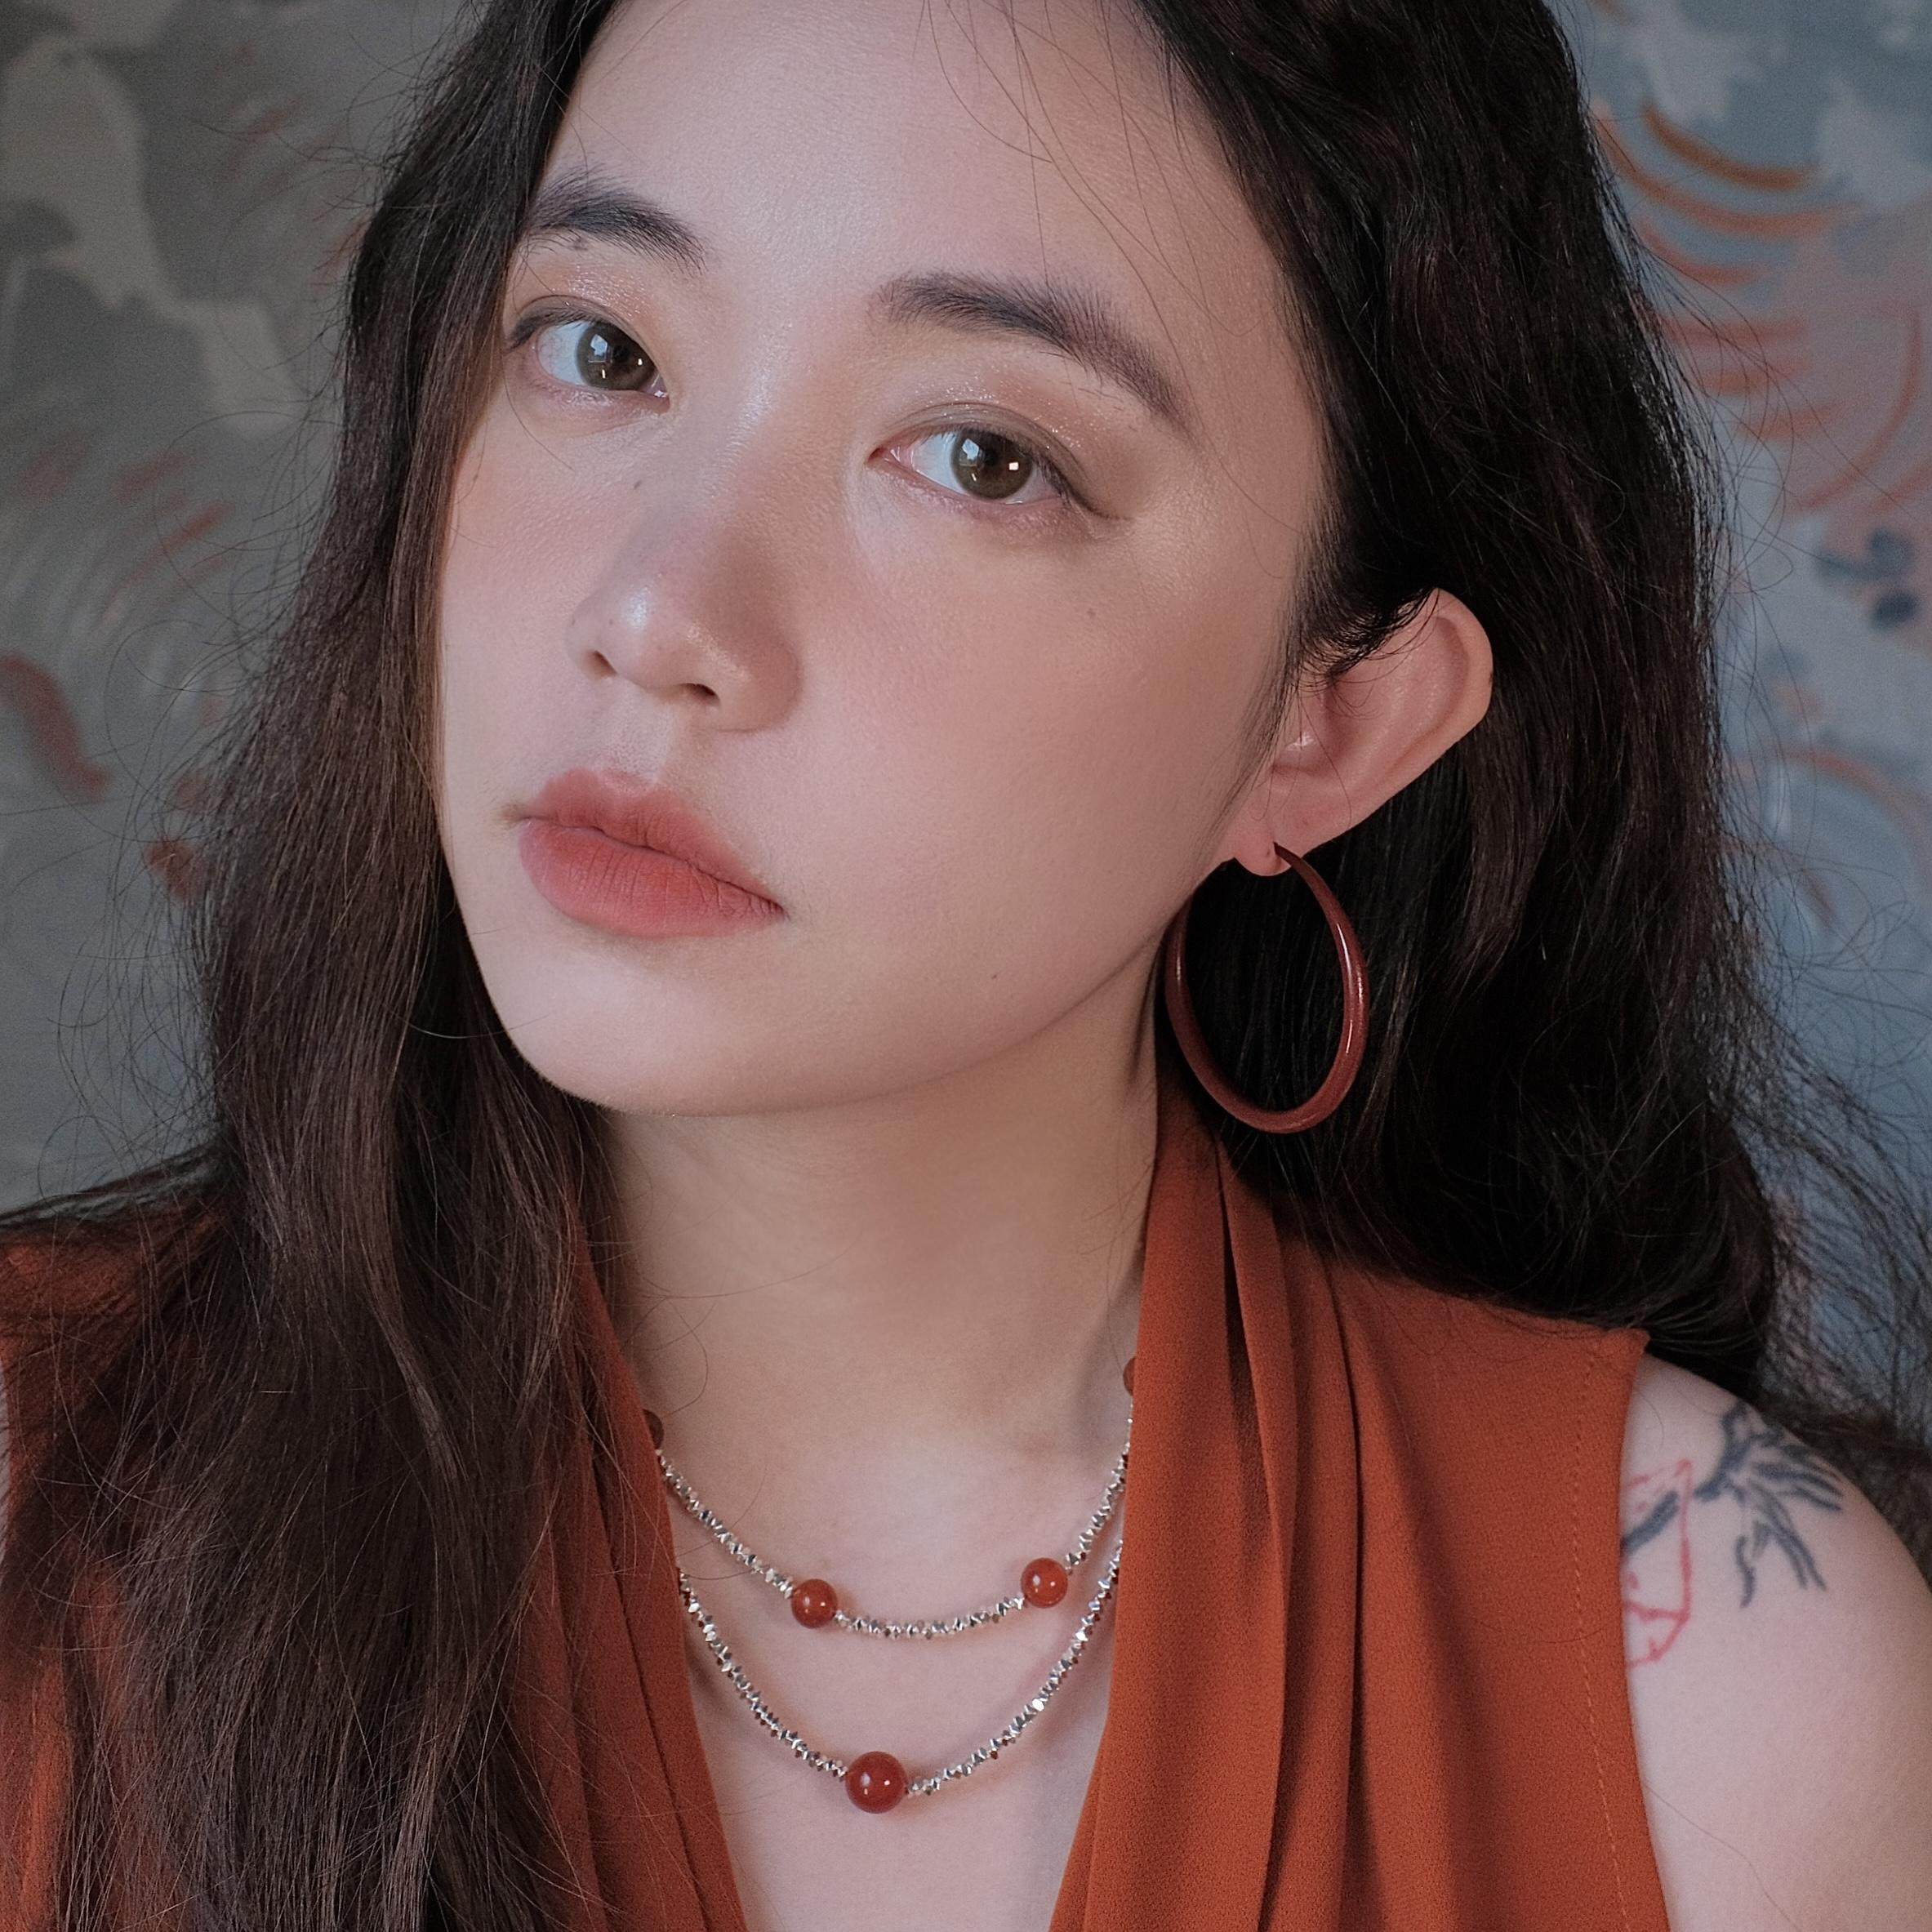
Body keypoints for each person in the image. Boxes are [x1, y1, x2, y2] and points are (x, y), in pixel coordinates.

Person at [2, 0, 1930, 1925]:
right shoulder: (36, 1501)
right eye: (602, 350)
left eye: (984, 458)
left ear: (1333, 724)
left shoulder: (1715, 1693)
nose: (657, 613)